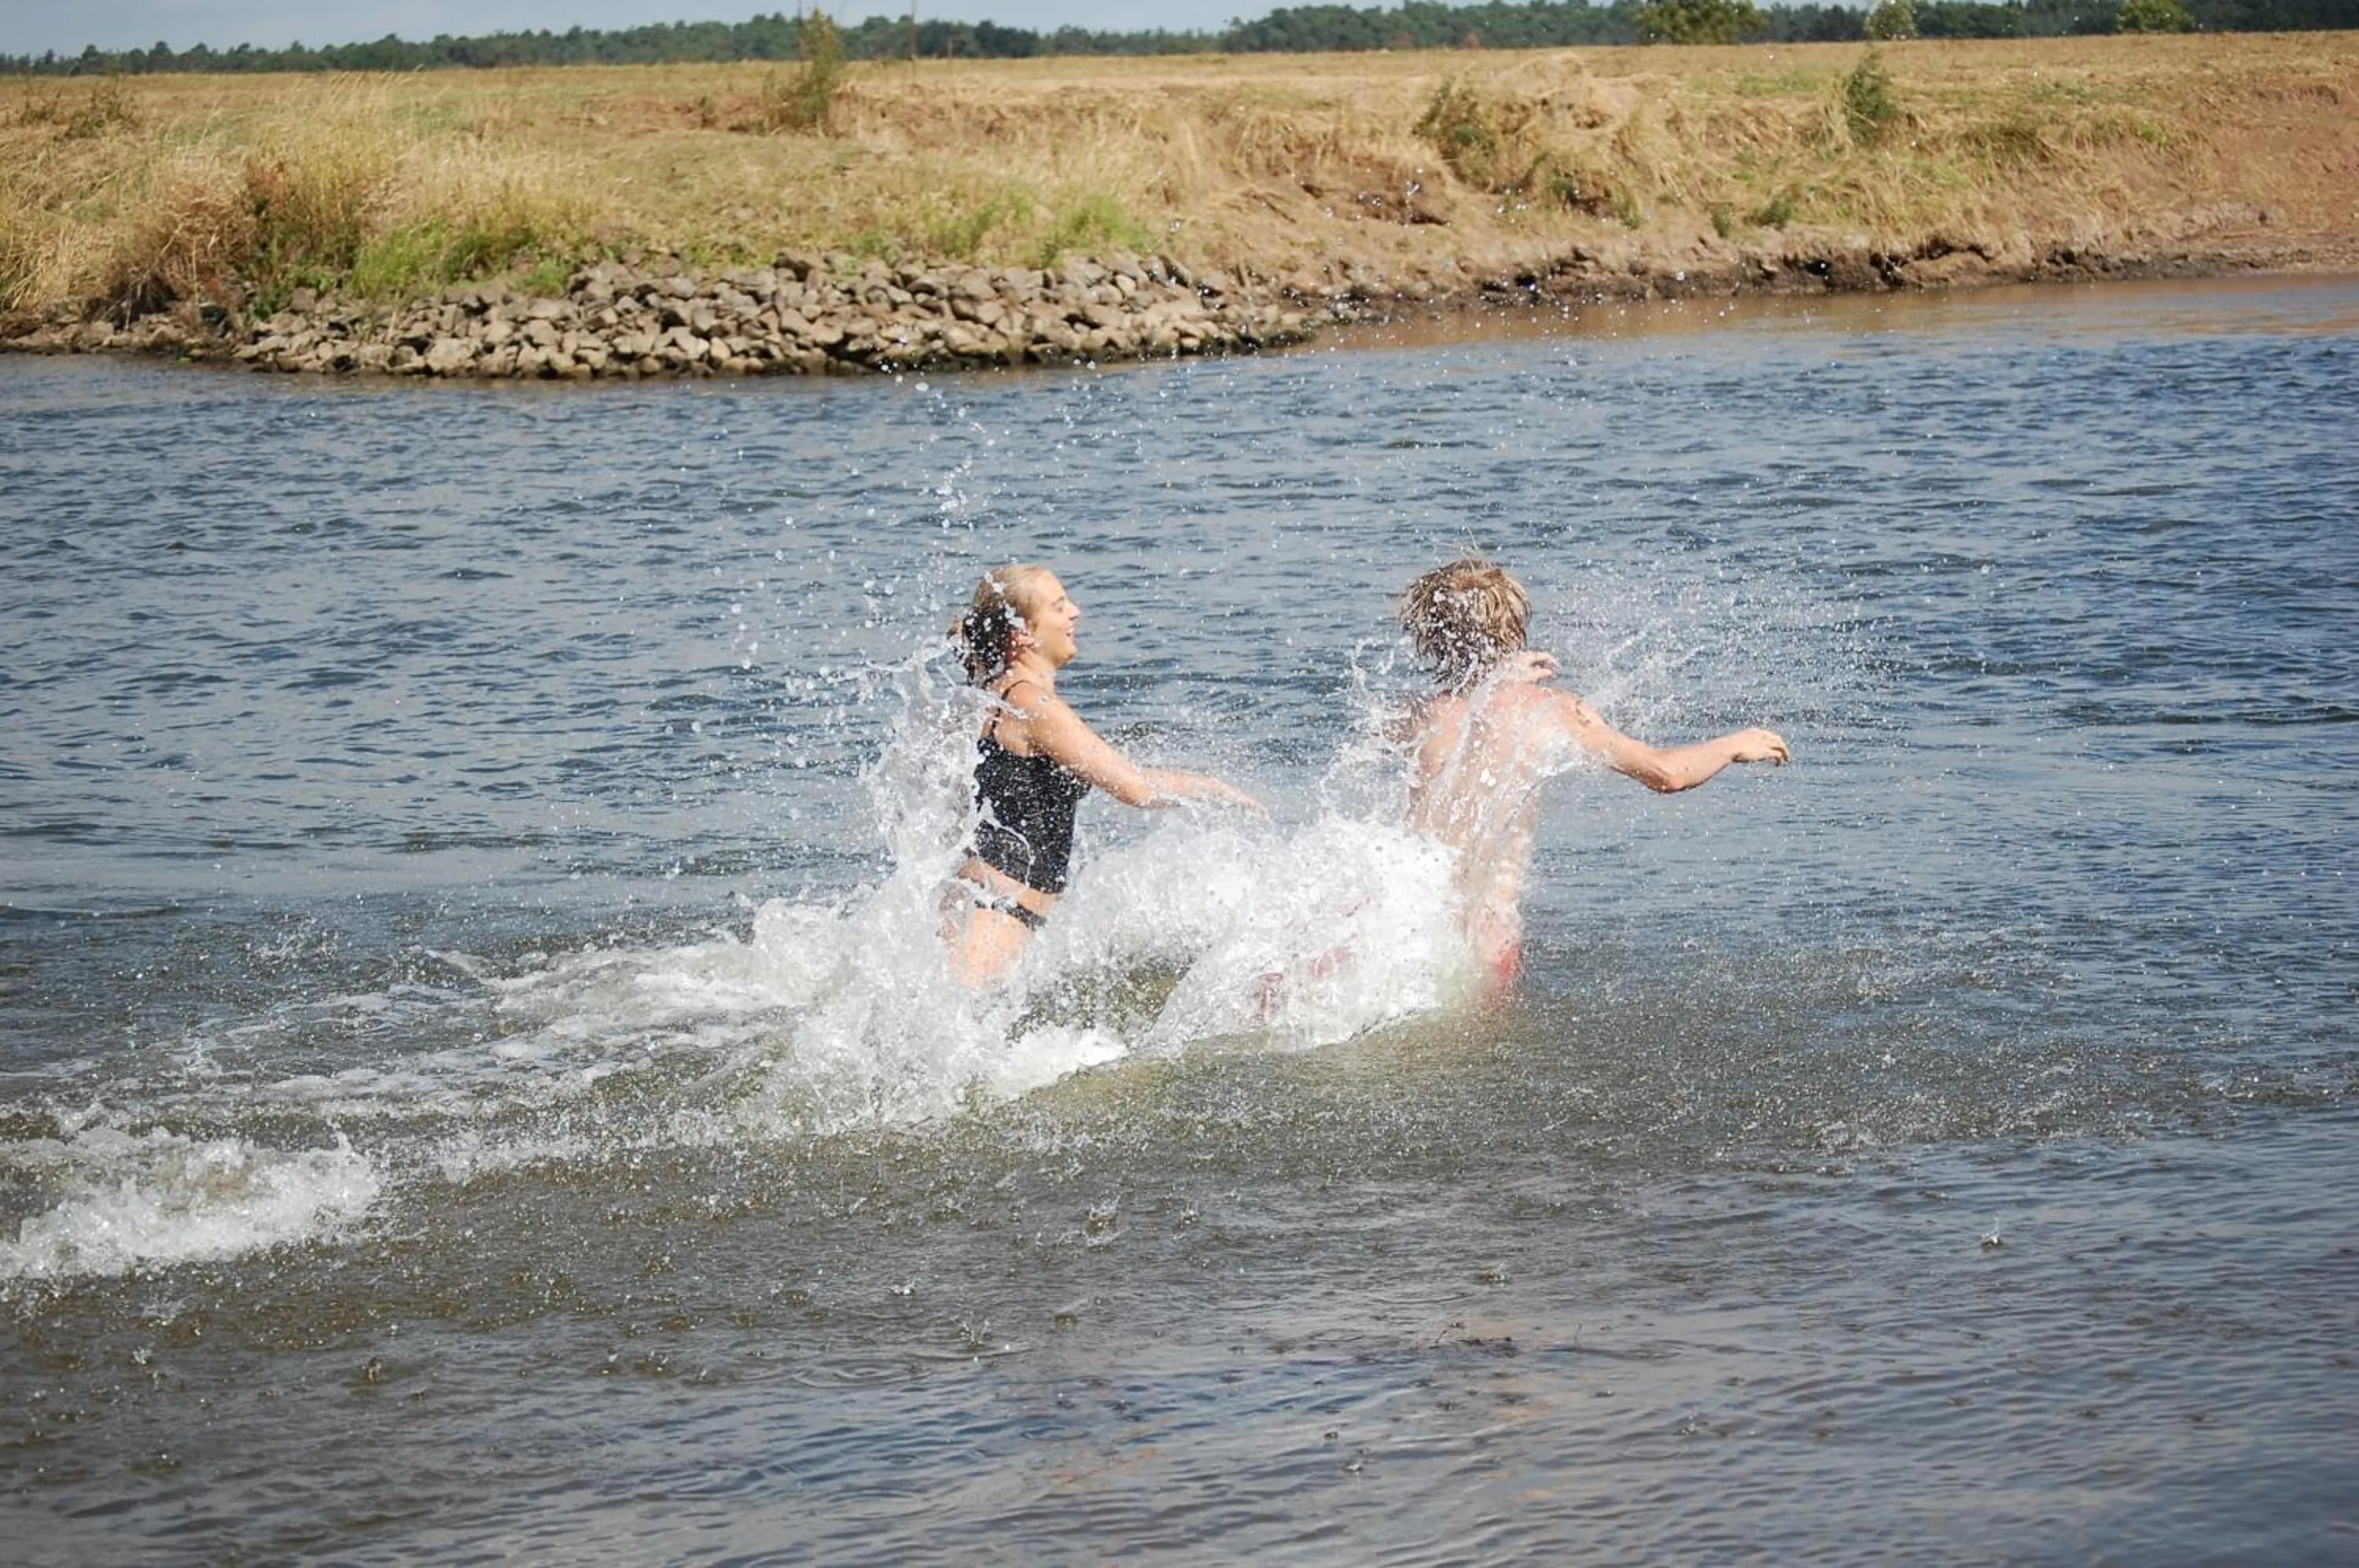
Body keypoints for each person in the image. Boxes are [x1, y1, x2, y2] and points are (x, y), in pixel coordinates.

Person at [1397, 557, 1790, 993]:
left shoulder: (1415, 716)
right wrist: (1733, 745)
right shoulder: (1551, 710)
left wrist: (1496, 678)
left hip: (1411, 914)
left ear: (1433, 637)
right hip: (1485, 927)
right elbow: (1666, 774)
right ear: (1513, 630)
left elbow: (1472, 730)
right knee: (1483, 1037)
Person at [943, 565, 1262, 987]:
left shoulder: (995, 693)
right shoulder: (1032, 706)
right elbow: (1136, 788)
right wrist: (1214, 789)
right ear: (1023, 634)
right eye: (1059, 606)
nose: (1075, 612)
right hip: (997, 913)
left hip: (984, 899)